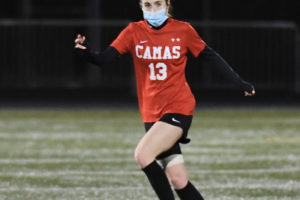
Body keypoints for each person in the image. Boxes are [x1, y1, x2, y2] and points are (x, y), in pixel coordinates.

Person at [75, 0, 255, 199]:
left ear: (167, 5)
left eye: (158, 4)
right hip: (151, 113)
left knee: (142, 155)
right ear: (141, 7)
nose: (153, 10)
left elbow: (210, 56)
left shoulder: (183, 30)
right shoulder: (133, 31)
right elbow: (104, 59)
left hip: (179, 107)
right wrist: (87, 53)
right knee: (179, 180)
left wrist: (239, 82)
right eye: (148, 5)